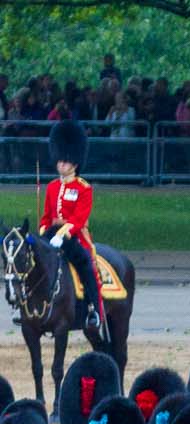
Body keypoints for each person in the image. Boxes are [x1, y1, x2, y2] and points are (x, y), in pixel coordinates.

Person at [39, 120, 104, 338]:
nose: (61, 165)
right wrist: (43, 233)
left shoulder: (83, 188)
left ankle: (94, 310)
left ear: (75, 163)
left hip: (73, 236)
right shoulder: (51, 187)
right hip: (52, 235)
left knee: (85, 265)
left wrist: (62, 233)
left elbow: (79, 218)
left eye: (65, 162)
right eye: (59, 161)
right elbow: (46, 216)